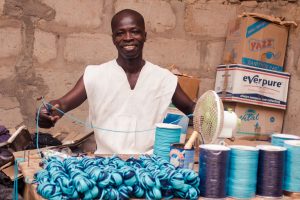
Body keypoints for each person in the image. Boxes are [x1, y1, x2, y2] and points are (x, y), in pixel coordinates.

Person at [37, 9, 195, 154]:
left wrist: (213, 113)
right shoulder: (95, 75)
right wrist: (48, 114)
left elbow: (192, 109)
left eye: (135, 31)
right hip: (107, 167)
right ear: (113, 39)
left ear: (145, 36)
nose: (128, 38)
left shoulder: (164, 78)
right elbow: (62, 104)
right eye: (120, 33)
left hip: (150, 168)